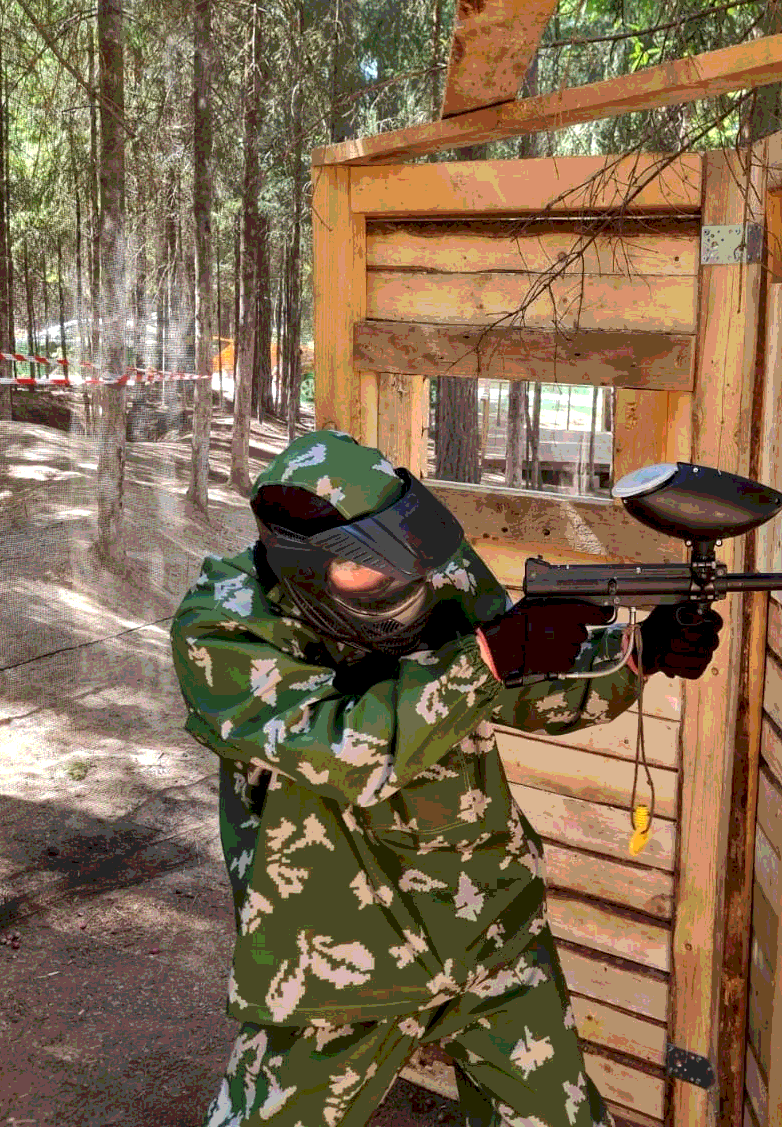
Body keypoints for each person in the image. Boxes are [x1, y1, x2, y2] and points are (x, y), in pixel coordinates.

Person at [171, 429, 723, 1127]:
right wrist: (486, 661)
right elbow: (347, 753)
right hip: (339, 952)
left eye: (412, 555)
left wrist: (635, 653)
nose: (410, 581)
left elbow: (521, 685)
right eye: (375, 568)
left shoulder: (426, 567)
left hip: (487, 922)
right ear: (300, 563)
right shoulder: (225, 625)